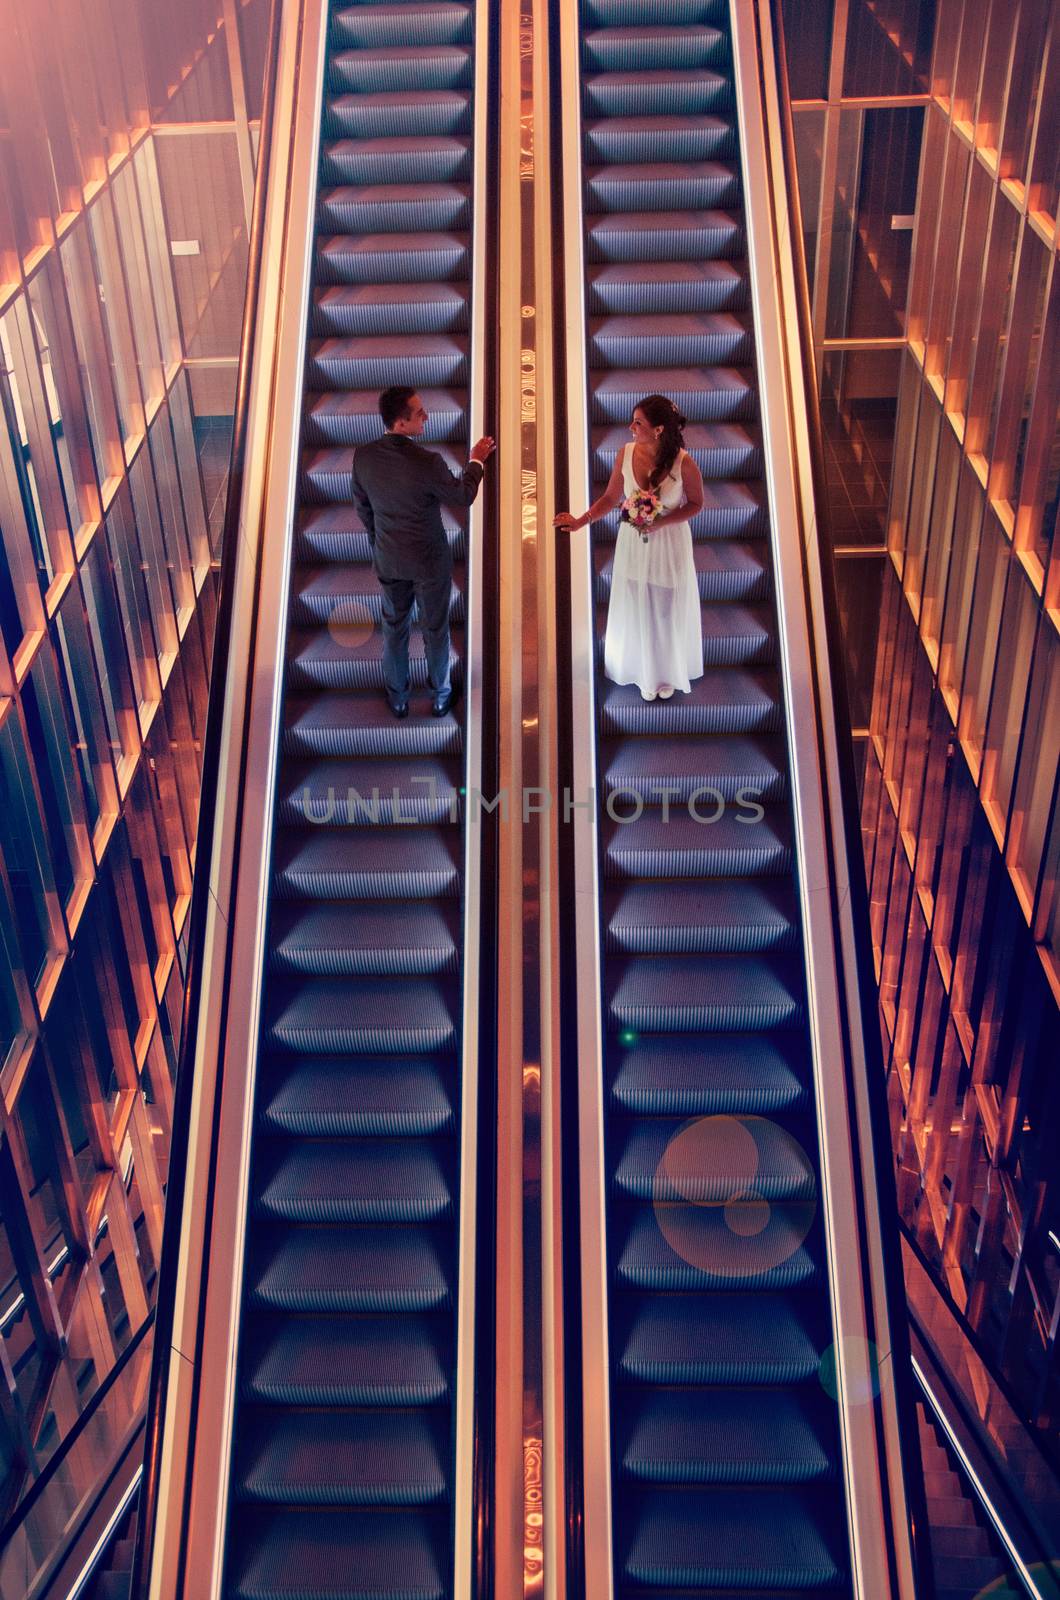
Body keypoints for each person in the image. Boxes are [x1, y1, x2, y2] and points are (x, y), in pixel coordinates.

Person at [351, 387, 495, 717]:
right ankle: (441, 696)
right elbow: (462, 495)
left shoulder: (364, 457)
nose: (426, 417)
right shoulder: (428, 462)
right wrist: (476, 461)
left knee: (394, 630)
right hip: (430, 563)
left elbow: (363, 509)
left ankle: (399, 699)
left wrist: (379, 543)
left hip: (389, 560)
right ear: (401, 423)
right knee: (435, 631)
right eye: (419, 414)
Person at [554, 394, 704, 700]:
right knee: (637, 601)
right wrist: (582, 520)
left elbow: (697, 504)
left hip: (668, 543)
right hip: (634, 543)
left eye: (638, 422)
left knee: (665, 606)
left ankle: (665, 674)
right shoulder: (625, 453)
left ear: (659, 429)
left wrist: (662, 522)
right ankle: (642, 670)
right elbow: (611, 497)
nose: (631, 427)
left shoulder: (684, 463)